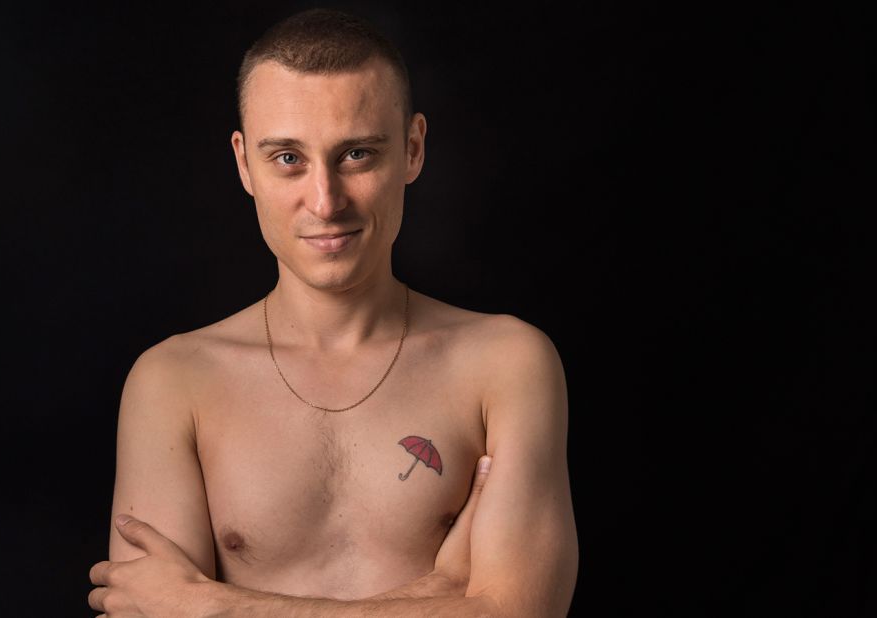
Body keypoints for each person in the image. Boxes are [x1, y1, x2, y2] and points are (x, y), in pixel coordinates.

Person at [88, 7, 578, 616]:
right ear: (244, 163)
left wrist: (217, 607)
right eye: (288, 158)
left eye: (357, 155)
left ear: (413, 149)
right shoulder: (173, 381)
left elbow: (518, 614)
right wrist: (438, 597)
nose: (325, 201)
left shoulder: (506, 364)